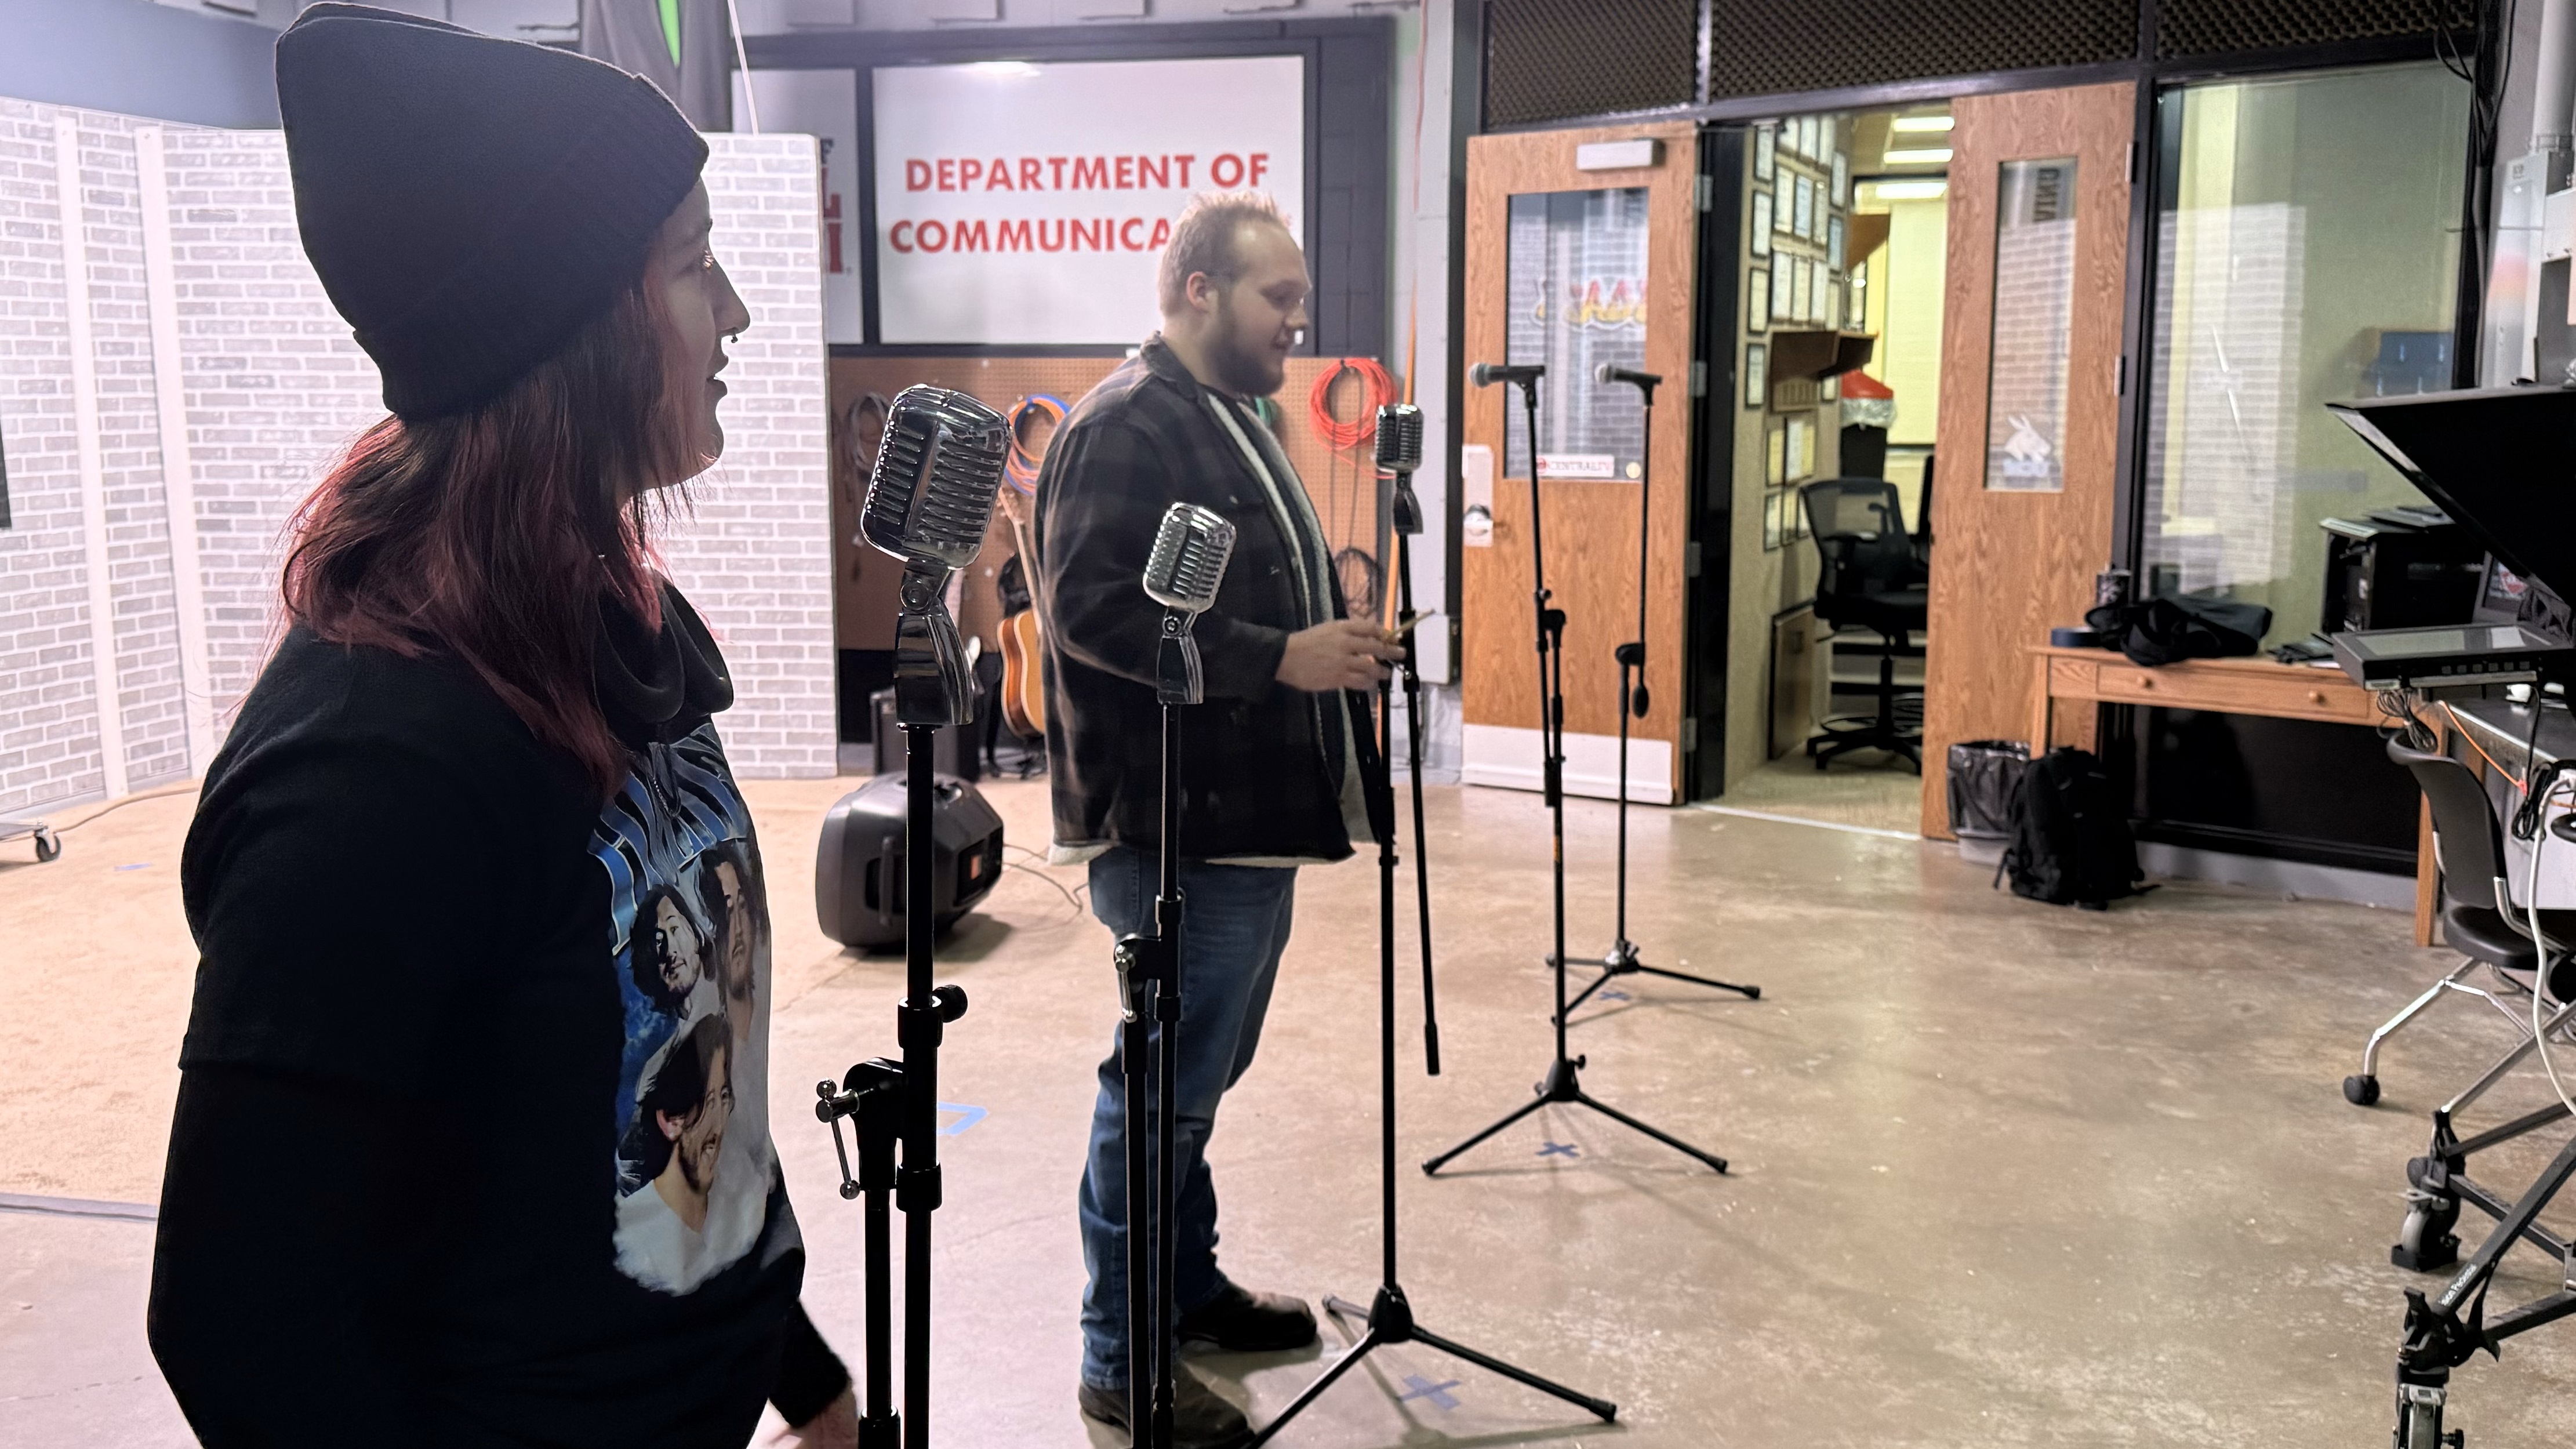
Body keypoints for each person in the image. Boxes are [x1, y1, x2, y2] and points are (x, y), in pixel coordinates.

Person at [148, 8, 855, 1445]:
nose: (734, 314)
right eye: (693, 267)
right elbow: (237, 1319)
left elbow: (683, 1041)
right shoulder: (371, 761)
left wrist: (804, 1371)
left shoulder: (612, 627)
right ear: (576, 319)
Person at [1035, 191, 1405, 1447]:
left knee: (1195, 1083)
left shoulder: (1225, 413)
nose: (1296, 324)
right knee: (1156, 1092)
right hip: (1173, 821)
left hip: (1244, 815)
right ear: (1199, 290)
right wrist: (1278, 656)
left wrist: (1320, 644)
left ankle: (1183, 1293)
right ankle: (1115, 1356)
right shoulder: (1126, 425)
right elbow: (1090, 610)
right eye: (1277, 299)